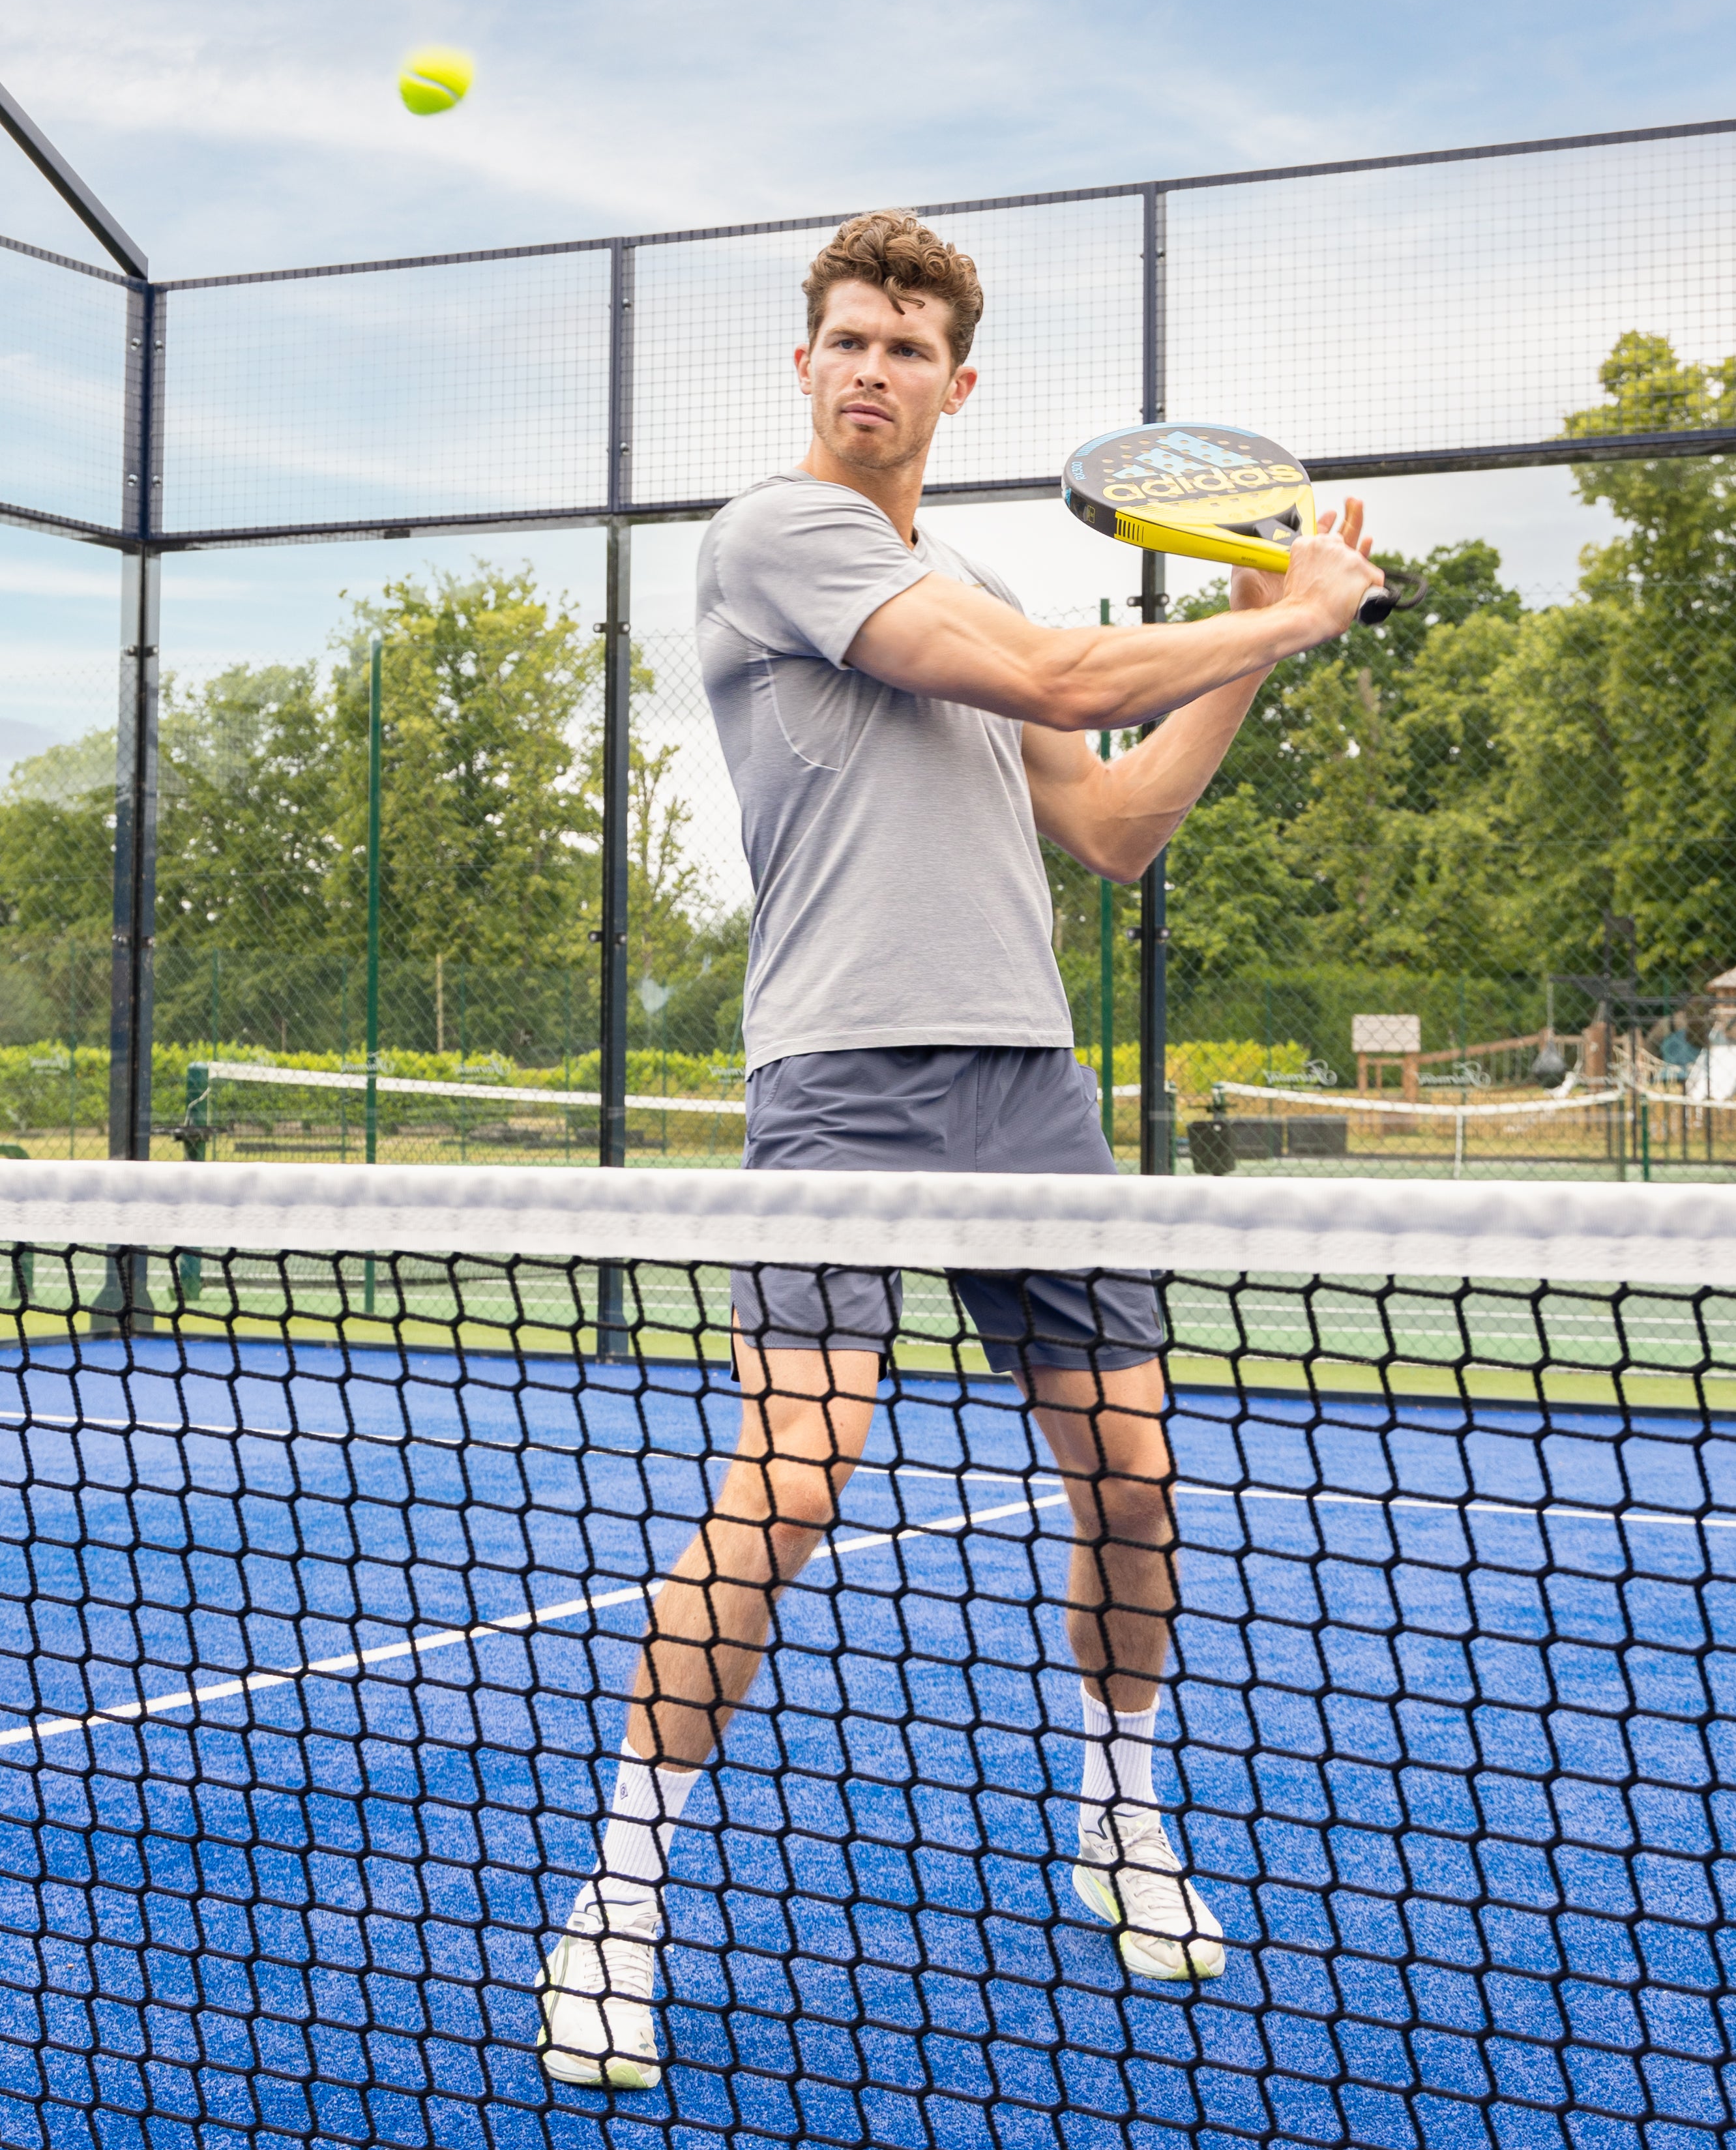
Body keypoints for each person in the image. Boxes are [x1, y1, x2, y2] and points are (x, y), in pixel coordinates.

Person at [534, 211, 1387, 2089]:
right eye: (844, 339)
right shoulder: (781, 539)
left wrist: (1259, 633)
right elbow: (1060, 682)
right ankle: (616, 1906)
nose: (869, 371)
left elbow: (1123, 821)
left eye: (905, 351)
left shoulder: (985, 579)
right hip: (840, 1079)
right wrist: (1288, 602)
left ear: (956, 386)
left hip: (1030, 1094)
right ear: (804, 364)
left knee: (1137, 1478)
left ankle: (1120, 1814)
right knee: (798, 1476)